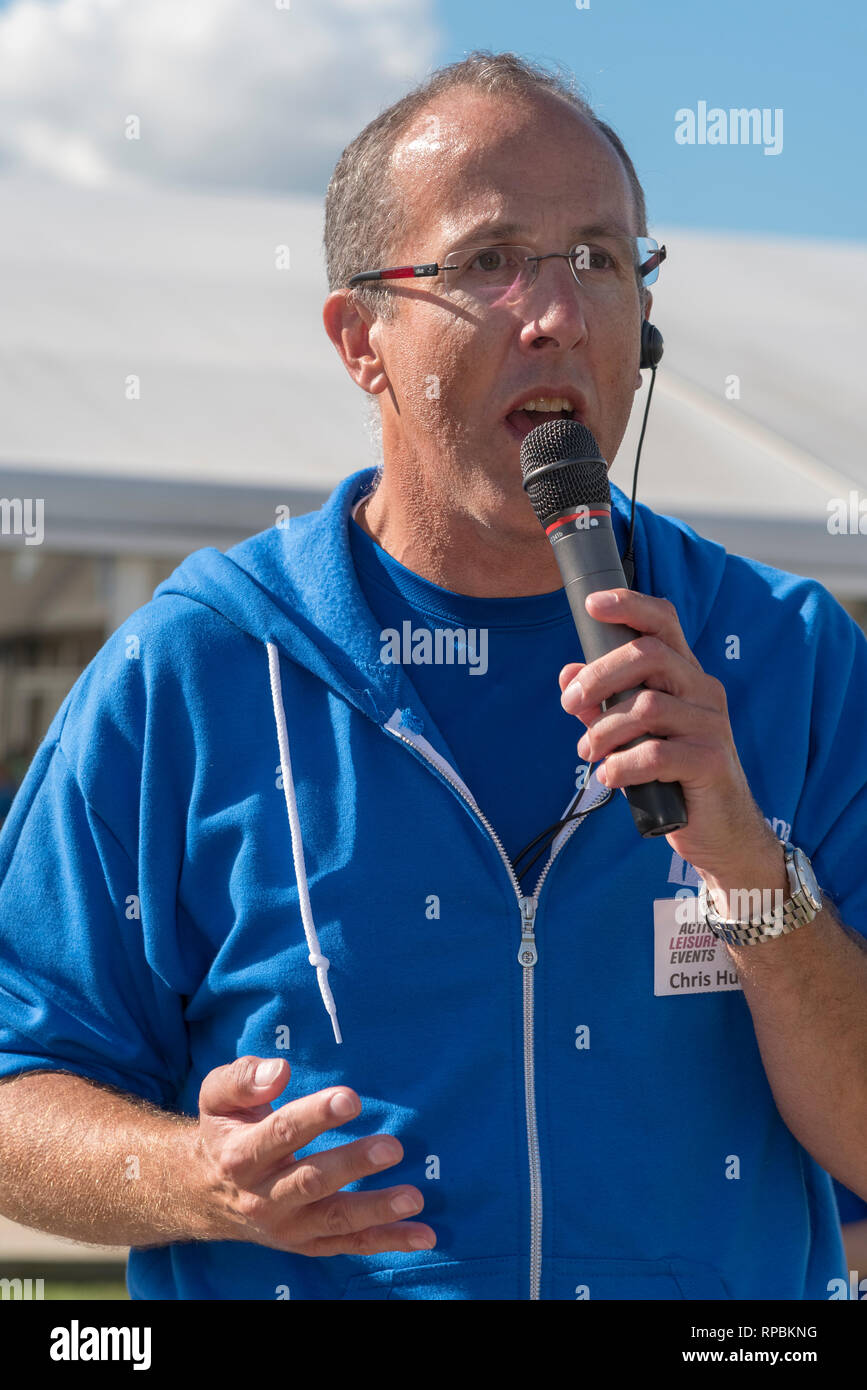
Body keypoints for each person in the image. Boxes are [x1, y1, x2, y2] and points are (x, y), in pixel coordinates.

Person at [1, 50, 866, 1303]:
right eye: (487, 262)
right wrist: (197, 1176)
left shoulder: (788, 656)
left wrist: (752, 875)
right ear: (363, 340)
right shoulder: (197, 665)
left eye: (601, 258)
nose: (558, 310)